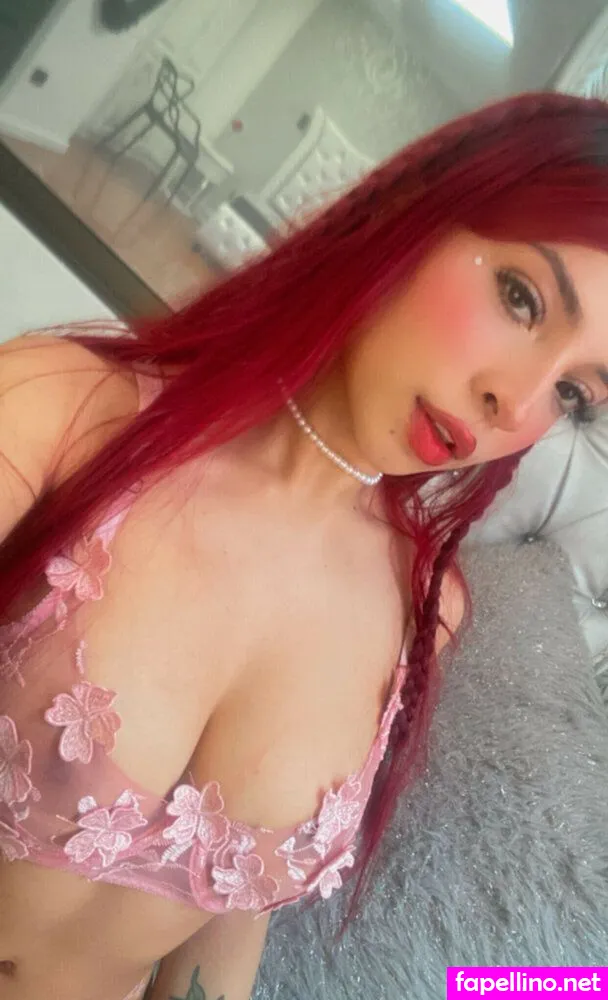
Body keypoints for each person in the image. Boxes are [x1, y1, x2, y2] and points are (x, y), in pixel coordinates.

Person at [1, 90, 608, 1000]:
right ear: (410, 211)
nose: (515, 404)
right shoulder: (55, 414)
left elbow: (224, 922)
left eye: (573, 393)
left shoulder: (424, 613)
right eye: (521, 298)